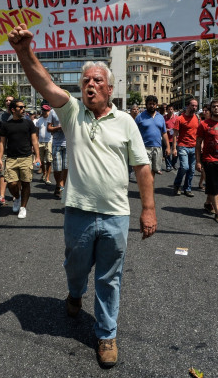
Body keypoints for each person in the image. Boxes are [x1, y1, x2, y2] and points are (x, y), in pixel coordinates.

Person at [9, 23, 156, 368]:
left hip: (116, 215)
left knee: (109, 277)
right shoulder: (71, 112)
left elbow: (143, 169)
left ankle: (106, 335)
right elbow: (43, 83)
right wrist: (24, 51)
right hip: (78, 212)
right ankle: (75, 294)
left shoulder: (125, 122)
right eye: (86, 81)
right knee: (76, 270)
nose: (91, 85)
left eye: (97, 81)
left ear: (109, 87)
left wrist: (148, 210)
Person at [0, 99, 40, 219]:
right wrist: (0, 159)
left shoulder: (29, 123)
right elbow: (2, 143)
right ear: (13, 110)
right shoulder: (6, 125)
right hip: (11, 158)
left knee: (26, 183)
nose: (23, 109)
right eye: (20, 107)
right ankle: (17, 197)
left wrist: (38, 157)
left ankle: (23, 207)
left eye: (24, 107)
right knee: (12, 183)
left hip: (26, 157)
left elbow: (34, 140)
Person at [135, 95, 171, 180]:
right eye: (150, 104)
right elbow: (134, 132)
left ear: (156, 105)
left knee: (154, 170)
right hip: (144, 148)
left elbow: (164, 133)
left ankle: (150, 188)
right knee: (147, 170)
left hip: (157, 148)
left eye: (154, 104)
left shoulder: (160, 117)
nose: (152, 106)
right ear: (146, 104)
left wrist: (168, 147)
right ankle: (146, 190)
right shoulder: (140, 117)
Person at [172, 98, 200, 197]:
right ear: (187, 106)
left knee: (191, 170)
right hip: (183, 146)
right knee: (184, 167)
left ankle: (187, 188)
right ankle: (177, 185)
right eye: (192, 105)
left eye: (196, 106)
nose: (194, 107)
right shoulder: (180, 119)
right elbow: (175, 134)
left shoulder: (197, 118)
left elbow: (199, 134)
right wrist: (174, 148)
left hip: (194, 147)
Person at [0, 96, 14, 205]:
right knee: (2, 173)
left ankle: (15, 195)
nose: (8, 102)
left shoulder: (20, 116)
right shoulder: (1, 117)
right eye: (6, 100)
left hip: (16, 149)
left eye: (10, 100)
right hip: (4, 149)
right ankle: (2, 196)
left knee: (15, 174)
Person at [48, 104, 68, 199]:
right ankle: (58, 184)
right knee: (57, 168)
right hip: (56, 143)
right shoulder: (52, 111)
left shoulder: (70, 111)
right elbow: (49, 128)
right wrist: (58, 128)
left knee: (66, 167)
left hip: (68, 143)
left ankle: (62, 186)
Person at [35, 104, 54, 184]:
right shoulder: (39, 120)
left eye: (46, 110)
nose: (44, 112)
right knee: (41, 161)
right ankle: (44, 173)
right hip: (40, 142)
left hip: (49, 142)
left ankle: (48, 178)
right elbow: (36, 133)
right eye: (43, 110)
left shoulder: (52, 120)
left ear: (49, 111)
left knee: (49, 161)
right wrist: (35, 144)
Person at [163, 104, 178, 172]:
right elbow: (161, 127)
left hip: (175, 138)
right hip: (167, 138)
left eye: (171, 109)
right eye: (169, 109)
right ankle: (168, 166)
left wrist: (175, 129)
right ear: (167, 110)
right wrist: (167, 130)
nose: (170, 111)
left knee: (175, 153)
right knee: (167, 153)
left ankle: (173, 164)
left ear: (173, 110)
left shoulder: (177, 118)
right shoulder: (164, 118)